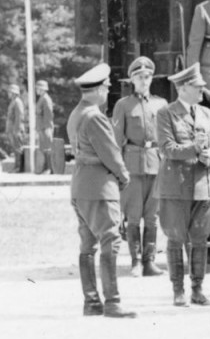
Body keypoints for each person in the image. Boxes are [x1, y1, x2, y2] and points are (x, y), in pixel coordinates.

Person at [66, 63, 136, 318]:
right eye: (106, 88)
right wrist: (124, 175)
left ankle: (92, 301)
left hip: (81, 185)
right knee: (110, 240)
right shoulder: (95, 116)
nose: (107, 92)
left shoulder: (76, 113)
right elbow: (111, 154)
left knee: (87, 245)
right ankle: (112, 302)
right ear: (96, 90)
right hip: (100, 187)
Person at [155, 63, 210, 307]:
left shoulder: (208, 114)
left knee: (200, 238)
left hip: (203, 185)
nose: (202, 90)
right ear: (183, 88)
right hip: (176, 186)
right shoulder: (166, 113)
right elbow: (167, 148)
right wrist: (195, 148)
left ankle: (197, 288)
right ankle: (177, 290)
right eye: (197, 86)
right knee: (175, 238)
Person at [112, 56, 167, 278]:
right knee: (133, 216)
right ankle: (135, 261)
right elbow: (117, 140)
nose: (144, 81)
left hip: (156, 164)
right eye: (139, 77)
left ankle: (149, 261)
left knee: (152, 217)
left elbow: (165, 136)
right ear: (132, 80)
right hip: (132, 165)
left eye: (147, 77)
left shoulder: (161, 104)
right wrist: (118, 170)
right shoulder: (123, 105)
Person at [5, 84, 25, 173]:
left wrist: (16, 130)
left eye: (9, 92)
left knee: (18, 149)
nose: (8, 94)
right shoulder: (14, 101)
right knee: (15, 149)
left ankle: (19, 167)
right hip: (12, 129)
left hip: (16, 129)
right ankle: (16, 166)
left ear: (13, 93)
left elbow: (19, 117)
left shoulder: (17, 102)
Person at [36, 79, 54, 172]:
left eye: (38, 88)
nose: (36, 90)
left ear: (41, 89)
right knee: (43, 148)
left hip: (45, 127)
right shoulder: (42, 99)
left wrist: (48, 127)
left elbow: (48, 114)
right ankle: (45, 168)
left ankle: (49, 168)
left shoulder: (46, 99)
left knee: (48, 149)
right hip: (42, 127)